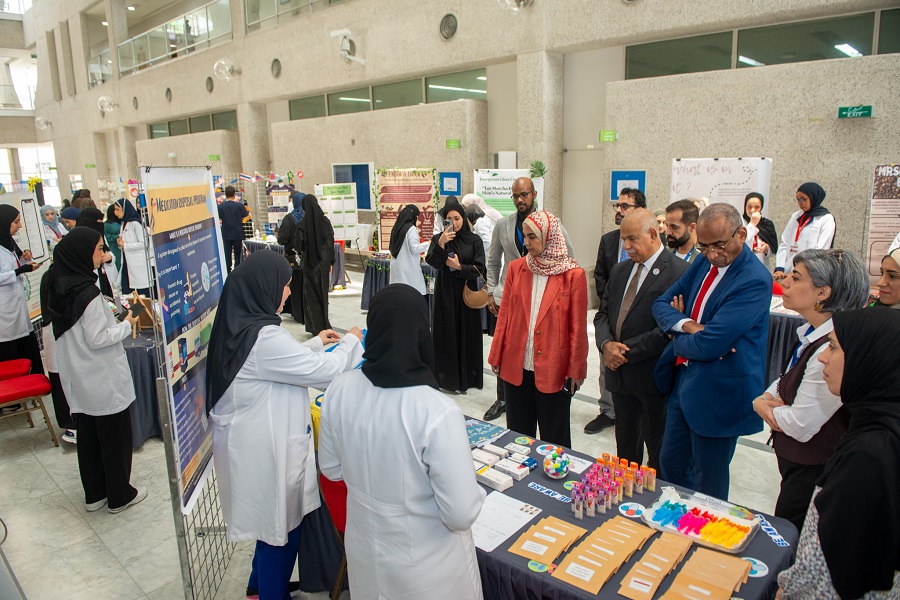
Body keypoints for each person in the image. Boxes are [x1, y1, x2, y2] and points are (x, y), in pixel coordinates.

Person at [204, 251, 363, 600]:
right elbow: (325, 372)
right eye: (286, 285)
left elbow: (283, 362)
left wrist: (316, 342)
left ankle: (257, 587)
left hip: (256, 446)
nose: (289, 292)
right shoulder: (263, 339)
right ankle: (270, 594)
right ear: (265, 287)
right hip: (267, 452)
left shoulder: (243, 327)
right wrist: (351, 338)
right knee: (280, 532)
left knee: (272, 527)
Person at [319, 284, 485, 600]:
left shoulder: (339, 389)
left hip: (366, 557)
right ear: (422, 332)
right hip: (427, 573)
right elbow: (461, 512)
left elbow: (330, 468)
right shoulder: (436, 410)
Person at [777, 308, 900, 599]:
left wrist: (784, 591)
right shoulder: (880, 430)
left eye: (833, 347)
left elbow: (828, 573)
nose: (822, 357)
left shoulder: (866, 458)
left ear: (870, 359)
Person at [652, 203, 771, 499]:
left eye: (719, 245)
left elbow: (709, 344)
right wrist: (689, 325)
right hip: (685, 382)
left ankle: (704, 528)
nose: (712, 254)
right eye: (704, 247)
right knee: (670, 465)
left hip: (721, 391)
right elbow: (661, 304)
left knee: (709, 484)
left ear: (741, 234)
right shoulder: (704, 262)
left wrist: (676, 335)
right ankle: (676, 519)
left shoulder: (754, 279)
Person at [752, 249, 869, 531]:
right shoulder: (813, 334)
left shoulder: (831, 349)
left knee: (790, 534)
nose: (784, 282)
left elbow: (801, 424)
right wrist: (768, 398)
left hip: (814, 471)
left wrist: (761, 406)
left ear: (823, 293)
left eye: (796, 277)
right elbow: (785, 378)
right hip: (798, 466)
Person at [47, 227, 146, 513]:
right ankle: (119, 495)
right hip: (102, 377)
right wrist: (127, 324)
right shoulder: (87, 293)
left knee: (89, 438)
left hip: (79, 376)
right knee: (114, 438)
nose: (103, 254)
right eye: (99, 249)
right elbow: (99, 338)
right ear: (82, 252)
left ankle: (95, 495)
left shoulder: (58, 287)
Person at [595, 209, 688, 469]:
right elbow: (602, 314)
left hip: (652, 378)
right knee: (625, 451)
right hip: (619, 376)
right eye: (623, 239)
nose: (626, 247)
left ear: (653, 234)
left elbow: (670, 327)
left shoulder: (679, 272)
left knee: (658, 452)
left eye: (632, 239)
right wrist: (605, 345)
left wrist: (623, 352)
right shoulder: (620, 270)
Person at [488, 210, 587, 447]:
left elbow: (577, 328)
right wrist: (496, 354)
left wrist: (576, 369)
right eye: (525, 236)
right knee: (518, 437)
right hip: (517, 365)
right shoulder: (516, 268)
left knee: (555, 439)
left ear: (549, 236)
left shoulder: (573, 275)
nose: (526, 242)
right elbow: (505, 316)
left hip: (554, 369)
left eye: (532, 237)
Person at [484, 177, 574, 421]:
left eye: (524, 194)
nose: (520, 200)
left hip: (541, 299)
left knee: (536, 348)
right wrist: (491, 291)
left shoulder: (551, 224)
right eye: (515, 196)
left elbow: (568, 257)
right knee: (507, 349)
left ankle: (536, 395)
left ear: (534, 194)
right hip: (509, 297)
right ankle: (503, 398)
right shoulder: (503, 225)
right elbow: (493, 261)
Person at [586, 187, 647, 434]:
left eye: (625, 206)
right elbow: (600, 275)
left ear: (640, 210)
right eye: (617, 205)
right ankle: (607, 411)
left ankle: (635, 415)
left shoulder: (652, 243)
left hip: (640, 319)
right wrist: (610, 303)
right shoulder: (609, 240)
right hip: (611, 313)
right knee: (606, 365)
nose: (619, 210)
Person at [426, 199, 486, 393]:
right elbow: (432, 261)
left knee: (466, 333)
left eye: (457, 218)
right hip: (445, 294)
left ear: (463, 217)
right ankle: (447, 378)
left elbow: (480, 269)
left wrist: (460, 267)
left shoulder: (474, 240)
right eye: (449, 218)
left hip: (466, 293)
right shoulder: (439, 239)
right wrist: (441, 243)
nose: (454, 222)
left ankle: (469, 378)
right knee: (446, 333)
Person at [0, 205, 45, 377]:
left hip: (16, 305)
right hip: (5, 310)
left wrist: (25, 257)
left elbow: (16, 263)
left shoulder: (9, 243)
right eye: (16, 222)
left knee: (24, 345)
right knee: (10, 352)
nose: (19, 226)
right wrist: (20, 271)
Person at [39, 266, 77, 443]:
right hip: (58, 332)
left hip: (55, 331)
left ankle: (71, 423)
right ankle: (72, 425)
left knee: (61, 378)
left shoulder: (51, 273)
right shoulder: (60, 276)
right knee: (63, 380)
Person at [775, 182, 836, 280]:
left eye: (804, 199)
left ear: (813, 197)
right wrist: (780, 268)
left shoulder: (826, 218)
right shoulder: (796, 216)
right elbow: (784, 243)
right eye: (798, 199)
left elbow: (821, 251)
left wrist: (799, 272)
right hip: (787, 272)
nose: (800, 203)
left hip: (809, 274)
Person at [297, 194, 335, 335]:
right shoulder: (325, 222)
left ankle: (316, 327)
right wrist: (331, 262)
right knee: (323, 294)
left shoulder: (302, 225)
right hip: (323, 262)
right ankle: (325, 324)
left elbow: (298, 245)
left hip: (309, 263)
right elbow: (331, 243)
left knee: (311, 296)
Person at [276, 191, 306, 323]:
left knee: (295, 286)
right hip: (308, 259)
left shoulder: (290, 218)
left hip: (293, 258)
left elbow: (283, 238)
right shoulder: (310, 217)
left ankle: (297, 313)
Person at [77, 207, 118, 297]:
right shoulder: (79, 239)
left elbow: (108, 250)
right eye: (99, 221)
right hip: (91, 278)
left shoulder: (100, 235)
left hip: (104, 275)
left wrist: (109, 257)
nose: (101, 224)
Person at [388, 204, 429, 295]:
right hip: (408, 268)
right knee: (411, 293)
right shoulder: (411, 229)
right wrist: (428, 243)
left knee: (397, 292)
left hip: (396, 266)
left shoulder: (396, 228)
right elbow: (414, 248)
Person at [114, 198, 151, 296]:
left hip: (138, 263)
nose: (115, 212)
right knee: (127, 293)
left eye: (117, 209)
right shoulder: (124, 223)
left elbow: (144, 243)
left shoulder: (135, 223)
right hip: (127, 263)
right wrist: (120, 242)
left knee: (142, 294)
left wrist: (125, 245)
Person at [218, 186, 249, 273]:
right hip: (238, 233)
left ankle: (227, 271)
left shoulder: (221, 207)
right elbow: (245, 215)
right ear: (235, 194)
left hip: (226, 233)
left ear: (225, 194)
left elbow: (219, 216)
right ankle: (237, 271)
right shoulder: (239, 206)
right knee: (238, 254)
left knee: (227, 254)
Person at [743, 192, 778, 267]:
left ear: (761, 207)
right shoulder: (739, 222)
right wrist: (753, 224)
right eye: (749, 207)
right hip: (744, 265)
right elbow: (741, 242)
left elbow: (774, 250)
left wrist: (766, 248)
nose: (752, 210)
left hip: (762, 264)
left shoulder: (766, 224)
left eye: (757, 207)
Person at [664, 200, 700, 264]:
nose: (667, 232)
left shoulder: (704, 258)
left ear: (692, 227)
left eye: (674, 227)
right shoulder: (664, 254)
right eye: (667, 226)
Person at [105, 203, 122, 270]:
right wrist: (116, 237)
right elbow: (106, 236)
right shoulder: (107, 224)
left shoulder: (122, 222)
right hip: (114, 248)